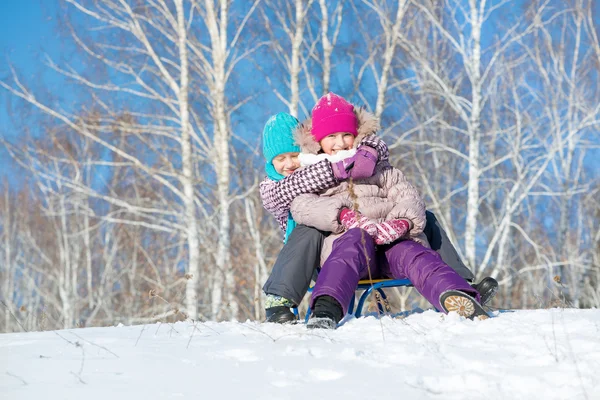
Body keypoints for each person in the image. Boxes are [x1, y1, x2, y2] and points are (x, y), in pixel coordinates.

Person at [259, 111, 498, 324]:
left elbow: (407, 195)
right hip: (329, 250)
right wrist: (344, 214)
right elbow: (301, 204)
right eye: (281, 159)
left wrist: (400, 223)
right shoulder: (306, 176)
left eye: (346, 135)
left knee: (417, 239)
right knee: (324, 234)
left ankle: (459, 292)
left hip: (388, 244)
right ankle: (313, 304)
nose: (289, 164)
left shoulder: (376, 166)